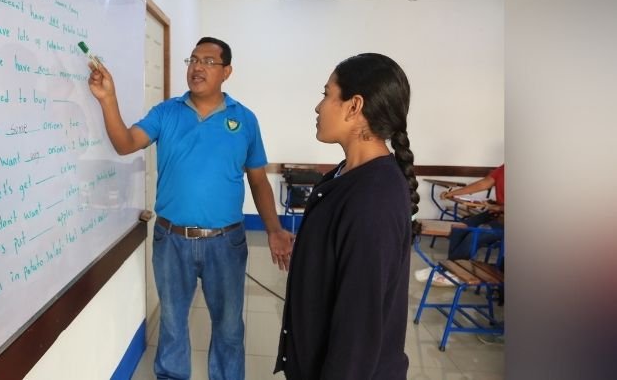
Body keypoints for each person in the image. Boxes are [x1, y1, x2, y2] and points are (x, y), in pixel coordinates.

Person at [87, 37, 295, 380]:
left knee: (229, 327)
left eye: (209, 62)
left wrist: (273, 229)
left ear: (226, 72)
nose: (197, 67)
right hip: (172, 240)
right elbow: (125, 143)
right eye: (193, 60)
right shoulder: (166, 113)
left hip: (225, 243)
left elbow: (258, 181)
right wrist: (108, 99)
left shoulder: (244, 120)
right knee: (171, 323)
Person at [275, 53, 418, 380]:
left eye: (326, 95)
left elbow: (358, 327)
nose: (318, 107)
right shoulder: (345, 176)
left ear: (354, 106)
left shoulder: (372, 200)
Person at [439, 164, 504, 260]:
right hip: (495, 214)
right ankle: (453, 267)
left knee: (473, 236)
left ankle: (454, 269)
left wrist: (499, 208)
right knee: (459, 228)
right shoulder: (503, 169)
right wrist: (451, 194)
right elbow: (481, 184)